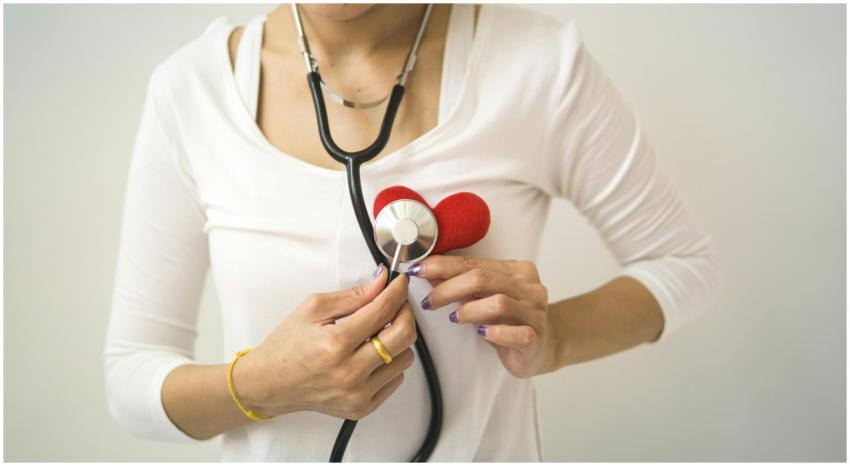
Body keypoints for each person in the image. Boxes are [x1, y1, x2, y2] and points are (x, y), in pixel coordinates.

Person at [103, 3, 721, 462]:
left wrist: (551, 338)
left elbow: (683, 264)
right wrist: (265, 384)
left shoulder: (539, 63)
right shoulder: (193, 90)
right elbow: (130, 378)